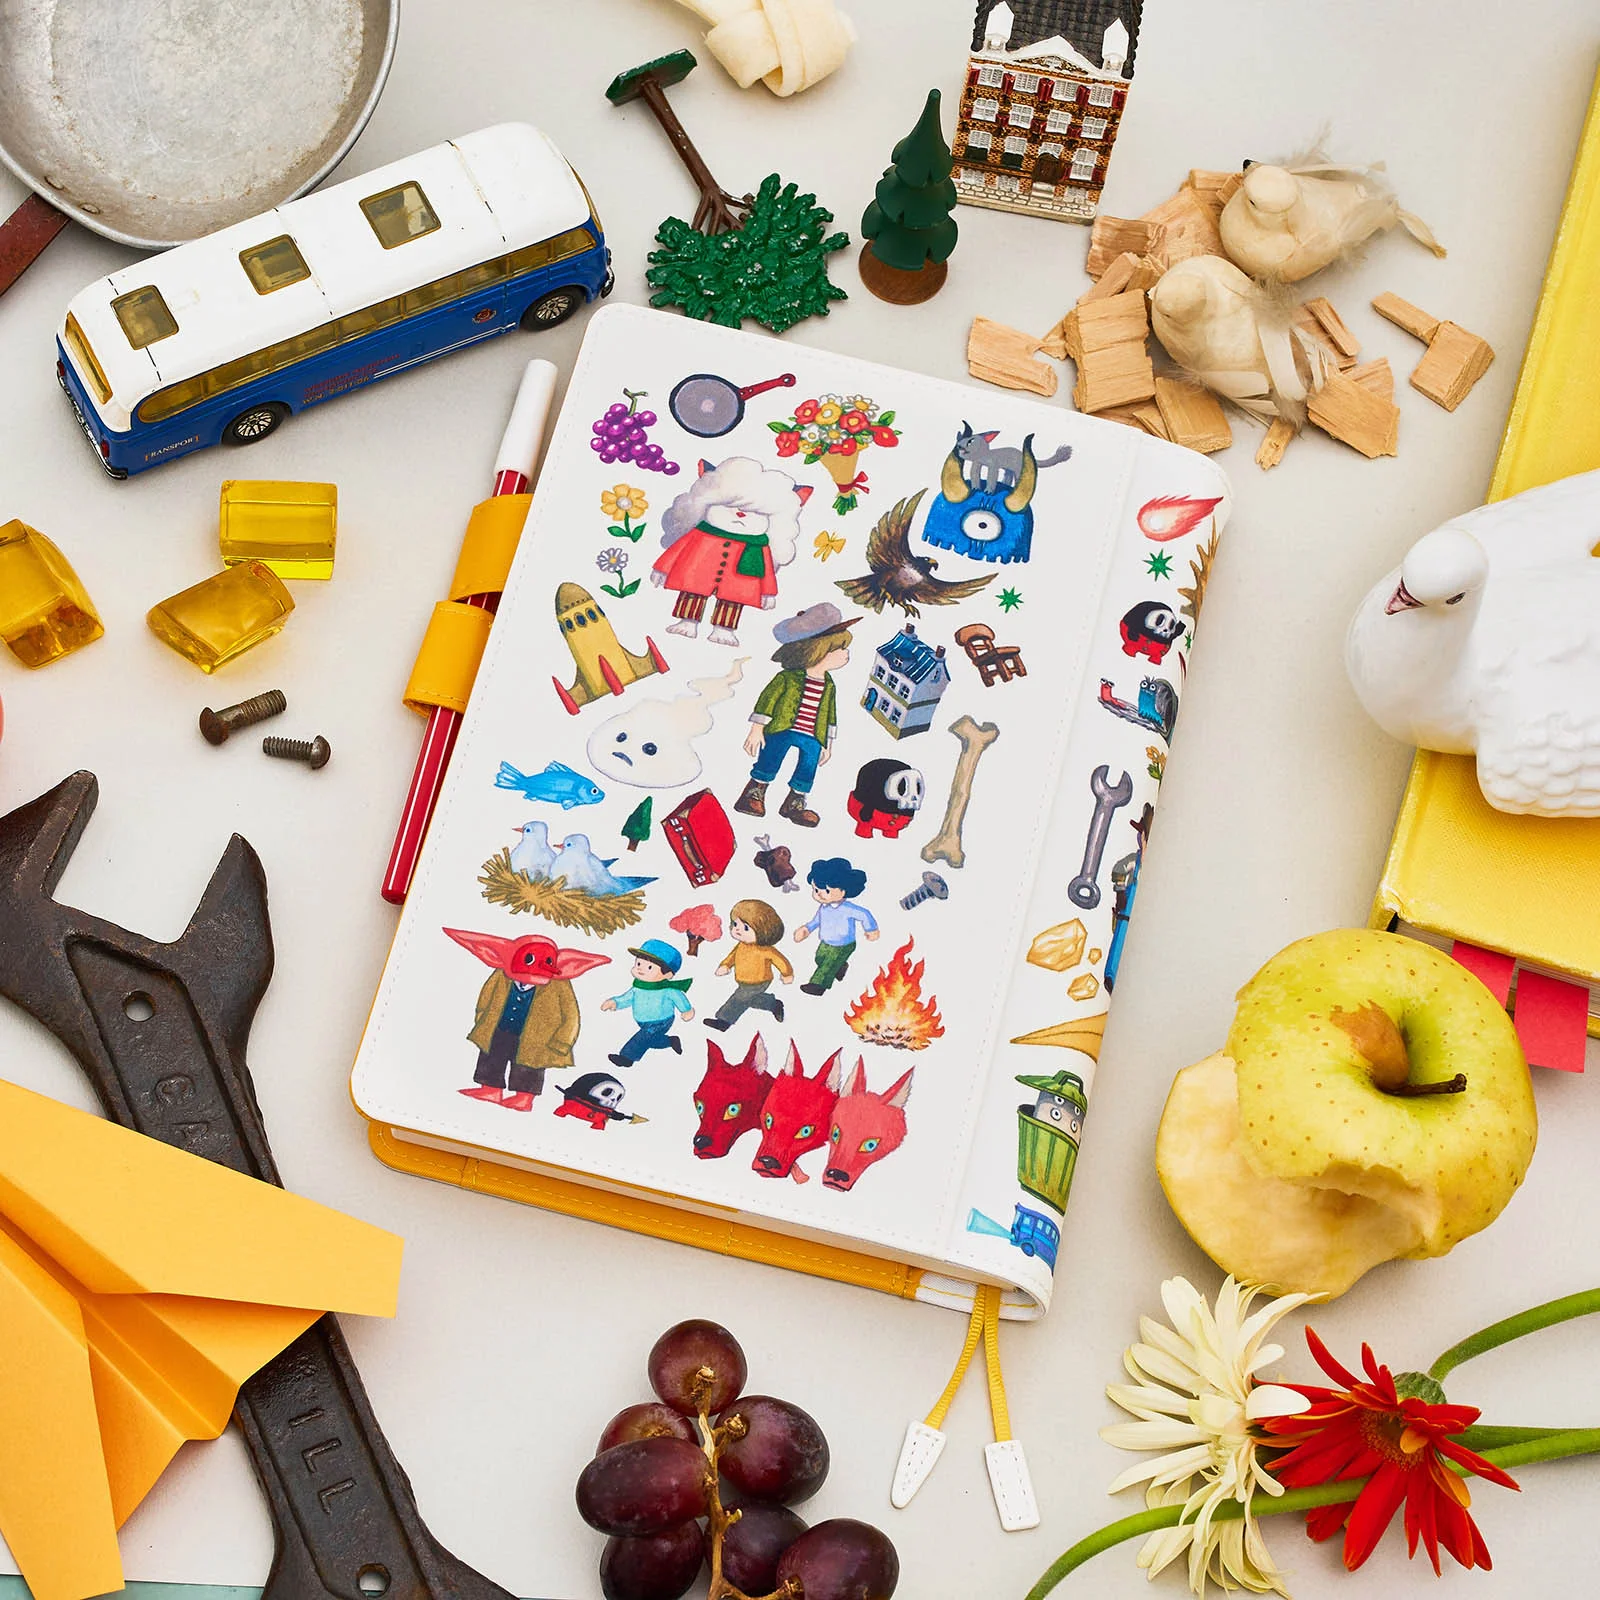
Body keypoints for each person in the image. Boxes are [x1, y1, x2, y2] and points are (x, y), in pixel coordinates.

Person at [736, 602, 860, 828]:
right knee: (770, 756)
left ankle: (794, 803)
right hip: (782, 728)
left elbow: (830, 714)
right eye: (840, 648)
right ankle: (754, 793)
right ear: (819, 651)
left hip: (812, 735)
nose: (846, 654)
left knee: (808, 766)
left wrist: (827, 744)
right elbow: (767, 701)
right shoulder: (787, 678)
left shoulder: (829, 684)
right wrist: (756, 729)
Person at [793, 857, 878, 995]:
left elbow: (864, 914)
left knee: (827, 965)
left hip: (843, 944)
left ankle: (817, 986)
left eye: (826, 891)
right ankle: (840, 966)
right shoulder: (823, 908)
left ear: (844, 891)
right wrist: (806, 929)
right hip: (826, 942)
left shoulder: (848, 908)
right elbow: (816, 921)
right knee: (820, 958)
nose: (819, 894)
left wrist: (871, 929)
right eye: (816, 890)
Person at [601, 938, 694, 1065]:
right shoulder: (638, 987)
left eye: (649, 967)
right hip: (642, 1022)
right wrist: (615, 1002)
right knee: (650, 1040)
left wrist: (686, 1010)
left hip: (661, 1021)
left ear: (667, 974)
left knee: (641, 1038)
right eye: (639, 964)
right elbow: (627, 998)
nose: (640, 969)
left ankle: (626, 1058)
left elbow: (679, 998)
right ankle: (670, 1041)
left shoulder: (667, 989)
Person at [705, 899, 794, 1031]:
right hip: (743, 980)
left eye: (746, 927)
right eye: (735, 924)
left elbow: (781, 961)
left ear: (763, 930)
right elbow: (732, 956)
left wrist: (787, 974)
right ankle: (773, 1004)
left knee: (739, 998)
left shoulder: (766, 950)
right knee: (750, 999)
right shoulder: (741, 945)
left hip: (759, 981)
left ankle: (724, 1021)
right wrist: (726, 965)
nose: (737, 929)